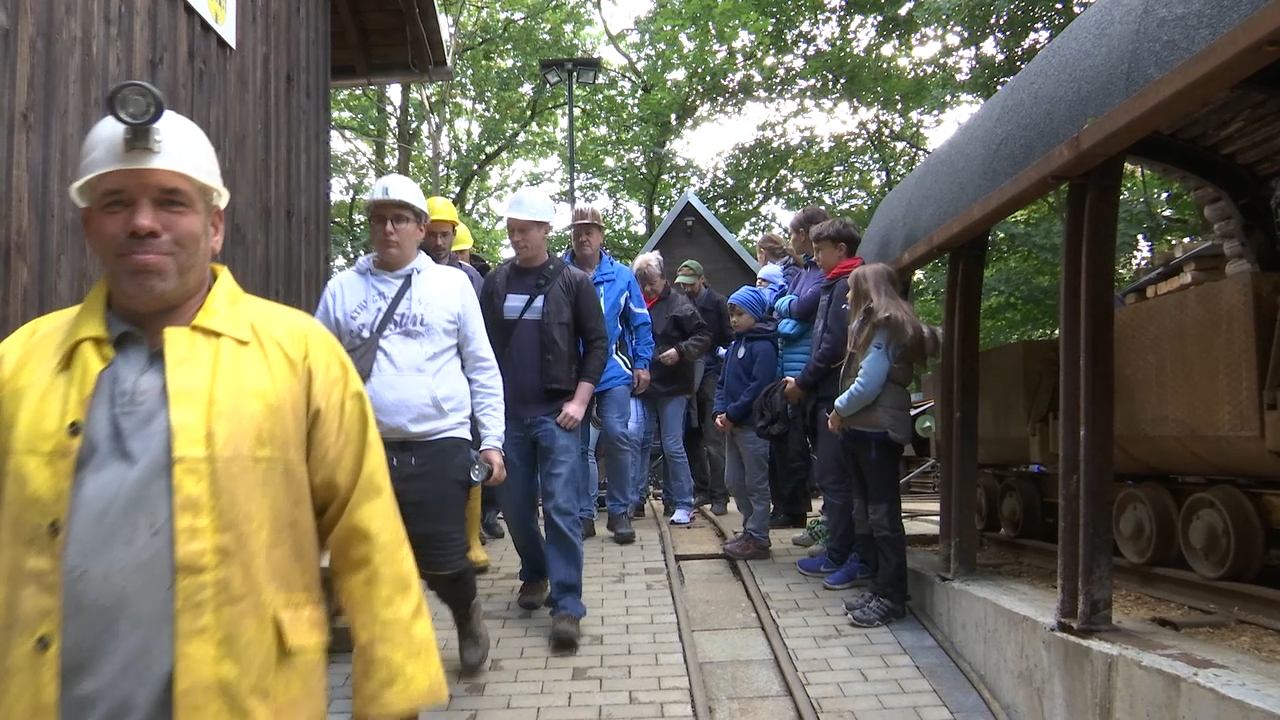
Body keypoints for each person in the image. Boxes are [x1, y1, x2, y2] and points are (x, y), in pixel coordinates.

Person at [0, 94, 445, 718]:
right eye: (116, 203)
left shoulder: (300, 357)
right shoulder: (19, 366)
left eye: (172, 201)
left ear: (215, 225)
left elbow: (372, 546)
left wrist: (392, 698)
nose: (143, 223)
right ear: (88, 225)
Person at [315, 174, 506, 676]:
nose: (388, 229)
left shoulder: (451, 286)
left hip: (440, 442)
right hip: (365, 445)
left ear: (422, 228)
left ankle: (465, 611)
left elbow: (481, 366)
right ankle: (396, 658)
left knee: (443, 558)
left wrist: (492, 441)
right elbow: (317, 369)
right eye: (379, 219)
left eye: (399, 219)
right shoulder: (343, 288)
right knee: (376, 560)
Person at [478, 187, 608, 651]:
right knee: (513, 508)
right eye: (511, 231)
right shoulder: (495, 282)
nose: (516, 238)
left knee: (560, 508)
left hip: (557, 417)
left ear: (546, 231)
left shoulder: (573, 281)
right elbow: (482, 353)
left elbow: (598, 346)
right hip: (507, 419)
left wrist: (579, 401)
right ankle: (535, 571)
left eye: (525, 230)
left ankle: (568, 605)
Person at [828, 263, 941, 627]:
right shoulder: (871, 328)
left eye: (851, 290)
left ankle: (893, 597)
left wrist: (838, 410)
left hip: (877, 434)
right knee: (867, 512)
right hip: (863, 431)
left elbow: (868, 383)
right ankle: (879, 586)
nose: (846, 297)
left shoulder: (885, 329)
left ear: (868, 290)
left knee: (882, 516)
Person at [783, 217, 876, 592]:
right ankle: (840, 549)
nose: (815, 256)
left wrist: (803, 380)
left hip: (834, 396)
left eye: (821, 250)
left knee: (837, 480)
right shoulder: (834, 284)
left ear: (841, 250)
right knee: (832, 478)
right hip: (825, 394)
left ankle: (846, 553)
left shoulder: (849, 285)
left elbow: (835, 346)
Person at [562, 205, 654, 544]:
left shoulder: (622, 276)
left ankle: (619, 512)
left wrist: (643, 362)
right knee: (577, 445)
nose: (583, 236)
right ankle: (584, 515)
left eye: (590, 230)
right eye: (577, 230)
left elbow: (640, 321)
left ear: (601, 235)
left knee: (617, 433)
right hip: (572, 374)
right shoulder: (560, 272)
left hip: (613, 370)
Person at [422, 195, 498, 570]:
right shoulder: (410, 275)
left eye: (444, 235)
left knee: (469, 457)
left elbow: (483, 338)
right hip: (426, 385)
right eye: (433, 235)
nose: (438, 243)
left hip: (462, 382)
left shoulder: (469, 279)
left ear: (453, 235)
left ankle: (471, 538)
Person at [632, 252, 711, 525]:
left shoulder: (681, 305)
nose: (646, 289)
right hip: (645, 383)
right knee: (640, 441)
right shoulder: (636, 303)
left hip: (674, 384)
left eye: (651, 282)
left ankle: (682, 501)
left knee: (672, 443)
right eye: (642, 283)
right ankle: (637, 499)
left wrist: (680, 351)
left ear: (663, 279)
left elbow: (703, 336)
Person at [773, 208, 831, 538]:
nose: (791, 238)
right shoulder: (804, 270)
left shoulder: (822, 273)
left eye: (794, 232)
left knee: (823, 452)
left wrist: (790, 308)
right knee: (800, 446)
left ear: (807, 232)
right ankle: (813, 520)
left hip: (812, 368)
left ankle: (828, 523)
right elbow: (785, 302)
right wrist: (790, 308)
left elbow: (804, 308)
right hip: (790, 369)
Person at [713, 286, 780, 560]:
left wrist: (733, 413)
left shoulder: (763, 346)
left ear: (754, 313)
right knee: (734, 481)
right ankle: (749, 529)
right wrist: (720, 411)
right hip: (732, 424)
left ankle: (759, 537)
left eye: (740, 314)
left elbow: (758, 387)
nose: (734, 320)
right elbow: (721, 382)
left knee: (756, 483)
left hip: (752, 427)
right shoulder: (734, 346)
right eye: (731, 315)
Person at [673, 259, 733, 514]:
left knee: (713, 437)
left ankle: (720, 496)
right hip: (687, 376)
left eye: (690, 284)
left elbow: (729, 336)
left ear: (701, 279)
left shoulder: (718, 303)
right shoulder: (680, 304)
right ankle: (702, 489)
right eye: (683, 285)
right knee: (690, 436)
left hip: (712, 375)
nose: (687, 289)